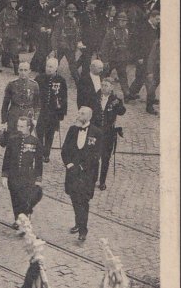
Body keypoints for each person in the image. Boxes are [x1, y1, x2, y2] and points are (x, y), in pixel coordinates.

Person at [61, 106, 101, 241]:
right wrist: (69, 164)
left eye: (82, 113)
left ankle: (83, 230)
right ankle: (78, 223)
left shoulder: (96, 132)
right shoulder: (72, 130)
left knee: (83, 201)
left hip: (87, 174)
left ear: (88, 117)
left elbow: (97, 155)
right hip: (72, 172)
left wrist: (83, 166)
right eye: (78, 112)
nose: (78, 115)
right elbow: (64, 149)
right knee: (74, 197)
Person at [1, 117, 43, 228]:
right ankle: (18, 219)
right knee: (15, 199)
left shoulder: (35, 142)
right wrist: (4, 175)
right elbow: (7, 158)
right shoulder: (12, 140)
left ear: (29, 127)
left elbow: (39, 163)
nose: (19, 129)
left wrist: (38, 179)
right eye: (18, 126)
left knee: (25, 199)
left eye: (22, 126)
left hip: (27, 176)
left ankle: (24, 218)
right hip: (13, 175)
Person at [93, 77, 126, 191]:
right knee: (94, 156)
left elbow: (121, 112)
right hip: (96, 131)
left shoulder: (115, 99)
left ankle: (102, 181)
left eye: (106, 85)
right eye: (102, 85)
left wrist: (121, 102)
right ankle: (93, 179)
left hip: (108, 133)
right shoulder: (95, 96)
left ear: (111, 88)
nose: (103, 87)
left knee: (105, 158)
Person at [34, 58, 68, 162]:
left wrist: (62, 112)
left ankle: (46, 153)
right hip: (42, 110)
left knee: (50, 133)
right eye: (47, 66)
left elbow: (64, 97)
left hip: (53, 112)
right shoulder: (39, 78)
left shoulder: (61, 80)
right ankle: (39, 152)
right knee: (39, 132)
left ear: (56, 68)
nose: (48, 69)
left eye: (51, 67)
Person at [0, 61, 41, 143]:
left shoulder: (34, 85)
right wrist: (4, 120)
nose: (23, 72)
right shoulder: (12, 84)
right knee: (12, 138)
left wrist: (35, 119)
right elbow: (5, 104)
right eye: (21, 70)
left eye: (25, 70)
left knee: (25, 138)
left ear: (29, 71)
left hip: (28, 114)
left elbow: (37, 105)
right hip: (14, 113)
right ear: (18, 70)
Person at [126, 9, 160, 102]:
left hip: (152, 58)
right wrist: (139, 57)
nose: (159, 21)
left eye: (159, 19)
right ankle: (130, 94)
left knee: (152, 78)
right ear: (151, 17)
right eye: (157, 19)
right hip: (143, 58)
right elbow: (136, 43)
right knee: (140, 78)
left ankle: (150, 97)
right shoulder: (143, 27)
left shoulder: (156, 28)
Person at [99, 12, 132, 97]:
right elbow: (104, 46)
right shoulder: (112, 31)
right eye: (121, 21)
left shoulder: (127, 31)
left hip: (121, 59)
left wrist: (127, 57)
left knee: (123, 77)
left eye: (125, 21)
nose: (123, 23)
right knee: (104, 76)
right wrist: (105, 61)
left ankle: (127, 94)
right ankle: (100, 92)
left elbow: (128, 46)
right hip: (111, 59)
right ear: (118, 21)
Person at [51, 3, 83, 81]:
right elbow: (55, 35)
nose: (72, 13)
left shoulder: (75, 21)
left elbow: (77, 34)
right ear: (67, 12)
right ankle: (50, 77)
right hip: (61, 46)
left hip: (70, 47)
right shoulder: (61, 21)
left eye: (73, 12)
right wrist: (54, 48)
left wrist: (78, 43)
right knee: (55, 63)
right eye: (71, 12)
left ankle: (78, 80)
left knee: (72, 65)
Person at [0, 0, 21, 74]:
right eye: (13, 2)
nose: (15, 3)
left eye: (16, 2)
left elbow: (18, 25)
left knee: (15, 52)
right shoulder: (4, 12)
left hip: (13, 36)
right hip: (5, 35)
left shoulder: (16, 12)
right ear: (9, 3)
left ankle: (17, 70)